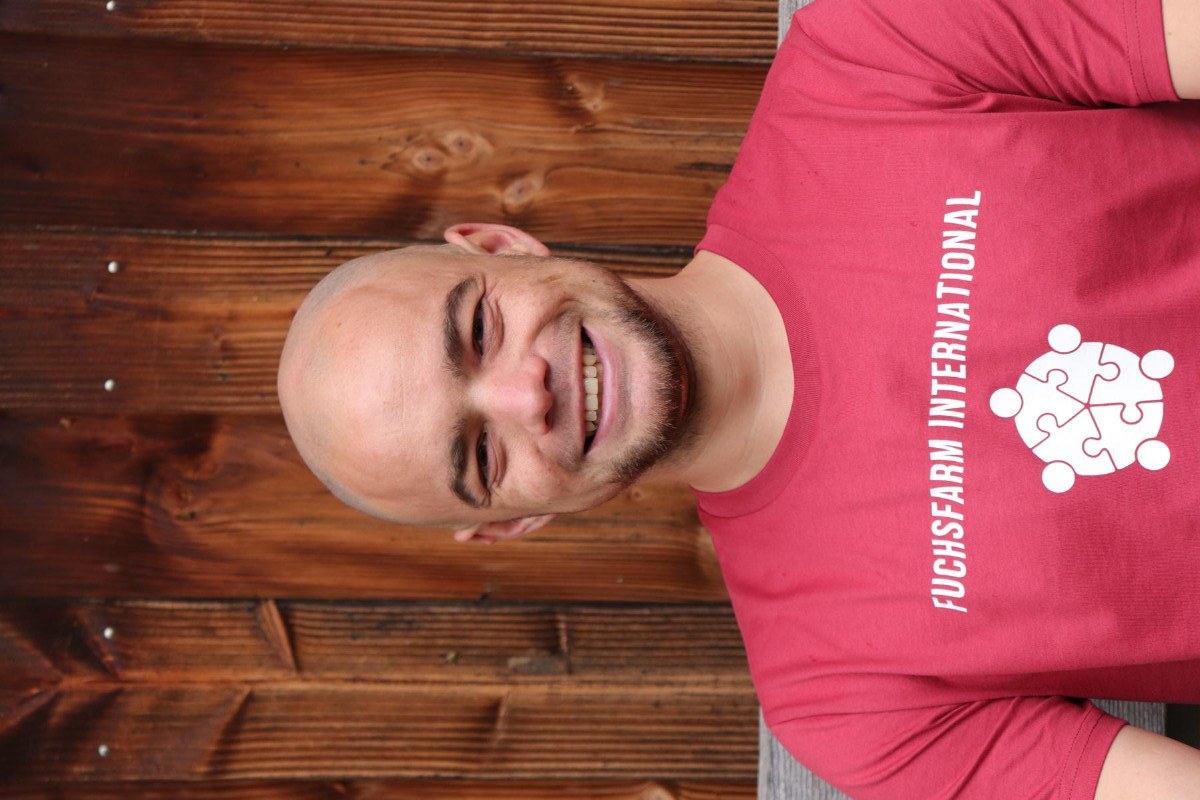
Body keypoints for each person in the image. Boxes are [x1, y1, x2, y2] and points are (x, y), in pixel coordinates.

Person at [278, 0, 1200, 796]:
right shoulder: (842, 700)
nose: (527, 393)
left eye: (479, 330)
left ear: (502, 247)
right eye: (482, 454)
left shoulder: (869, 54)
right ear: (514, 523)